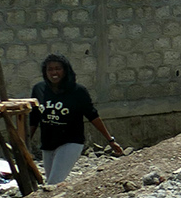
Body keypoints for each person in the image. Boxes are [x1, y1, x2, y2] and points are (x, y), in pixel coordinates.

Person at [30, 55, 124, 184]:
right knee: (51, 181)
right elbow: (34, 118)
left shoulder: (78, 91)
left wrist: (110, 140)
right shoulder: (39, 89)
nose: (54, 72)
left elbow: (92, 116)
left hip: (71, 142)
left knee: (53, 183)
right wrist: (25, 141)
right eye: (50, 69)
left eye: (58, 69)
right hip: (48, 143)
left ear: (65, 70)